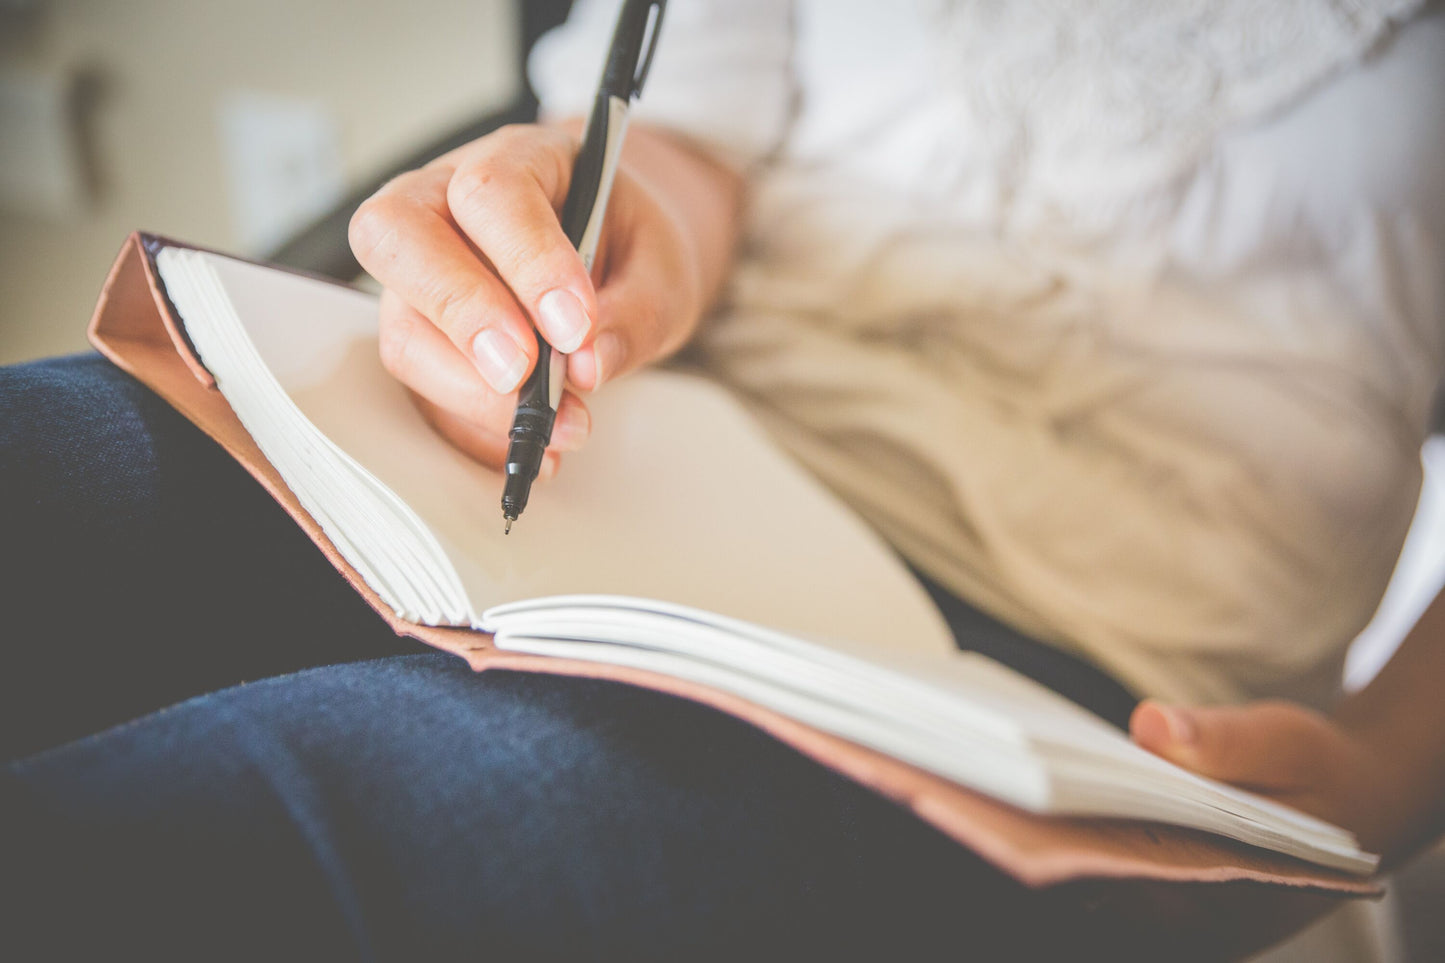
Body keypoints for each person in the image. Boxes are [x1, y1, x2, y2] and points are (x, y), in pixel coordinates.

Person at [4, 1, 1444, 960]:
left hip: (1093, 652)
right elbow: (681, 136)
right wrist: (591, 220)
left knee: (277, 836)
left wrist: (1392, 762)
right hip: (648, 426)